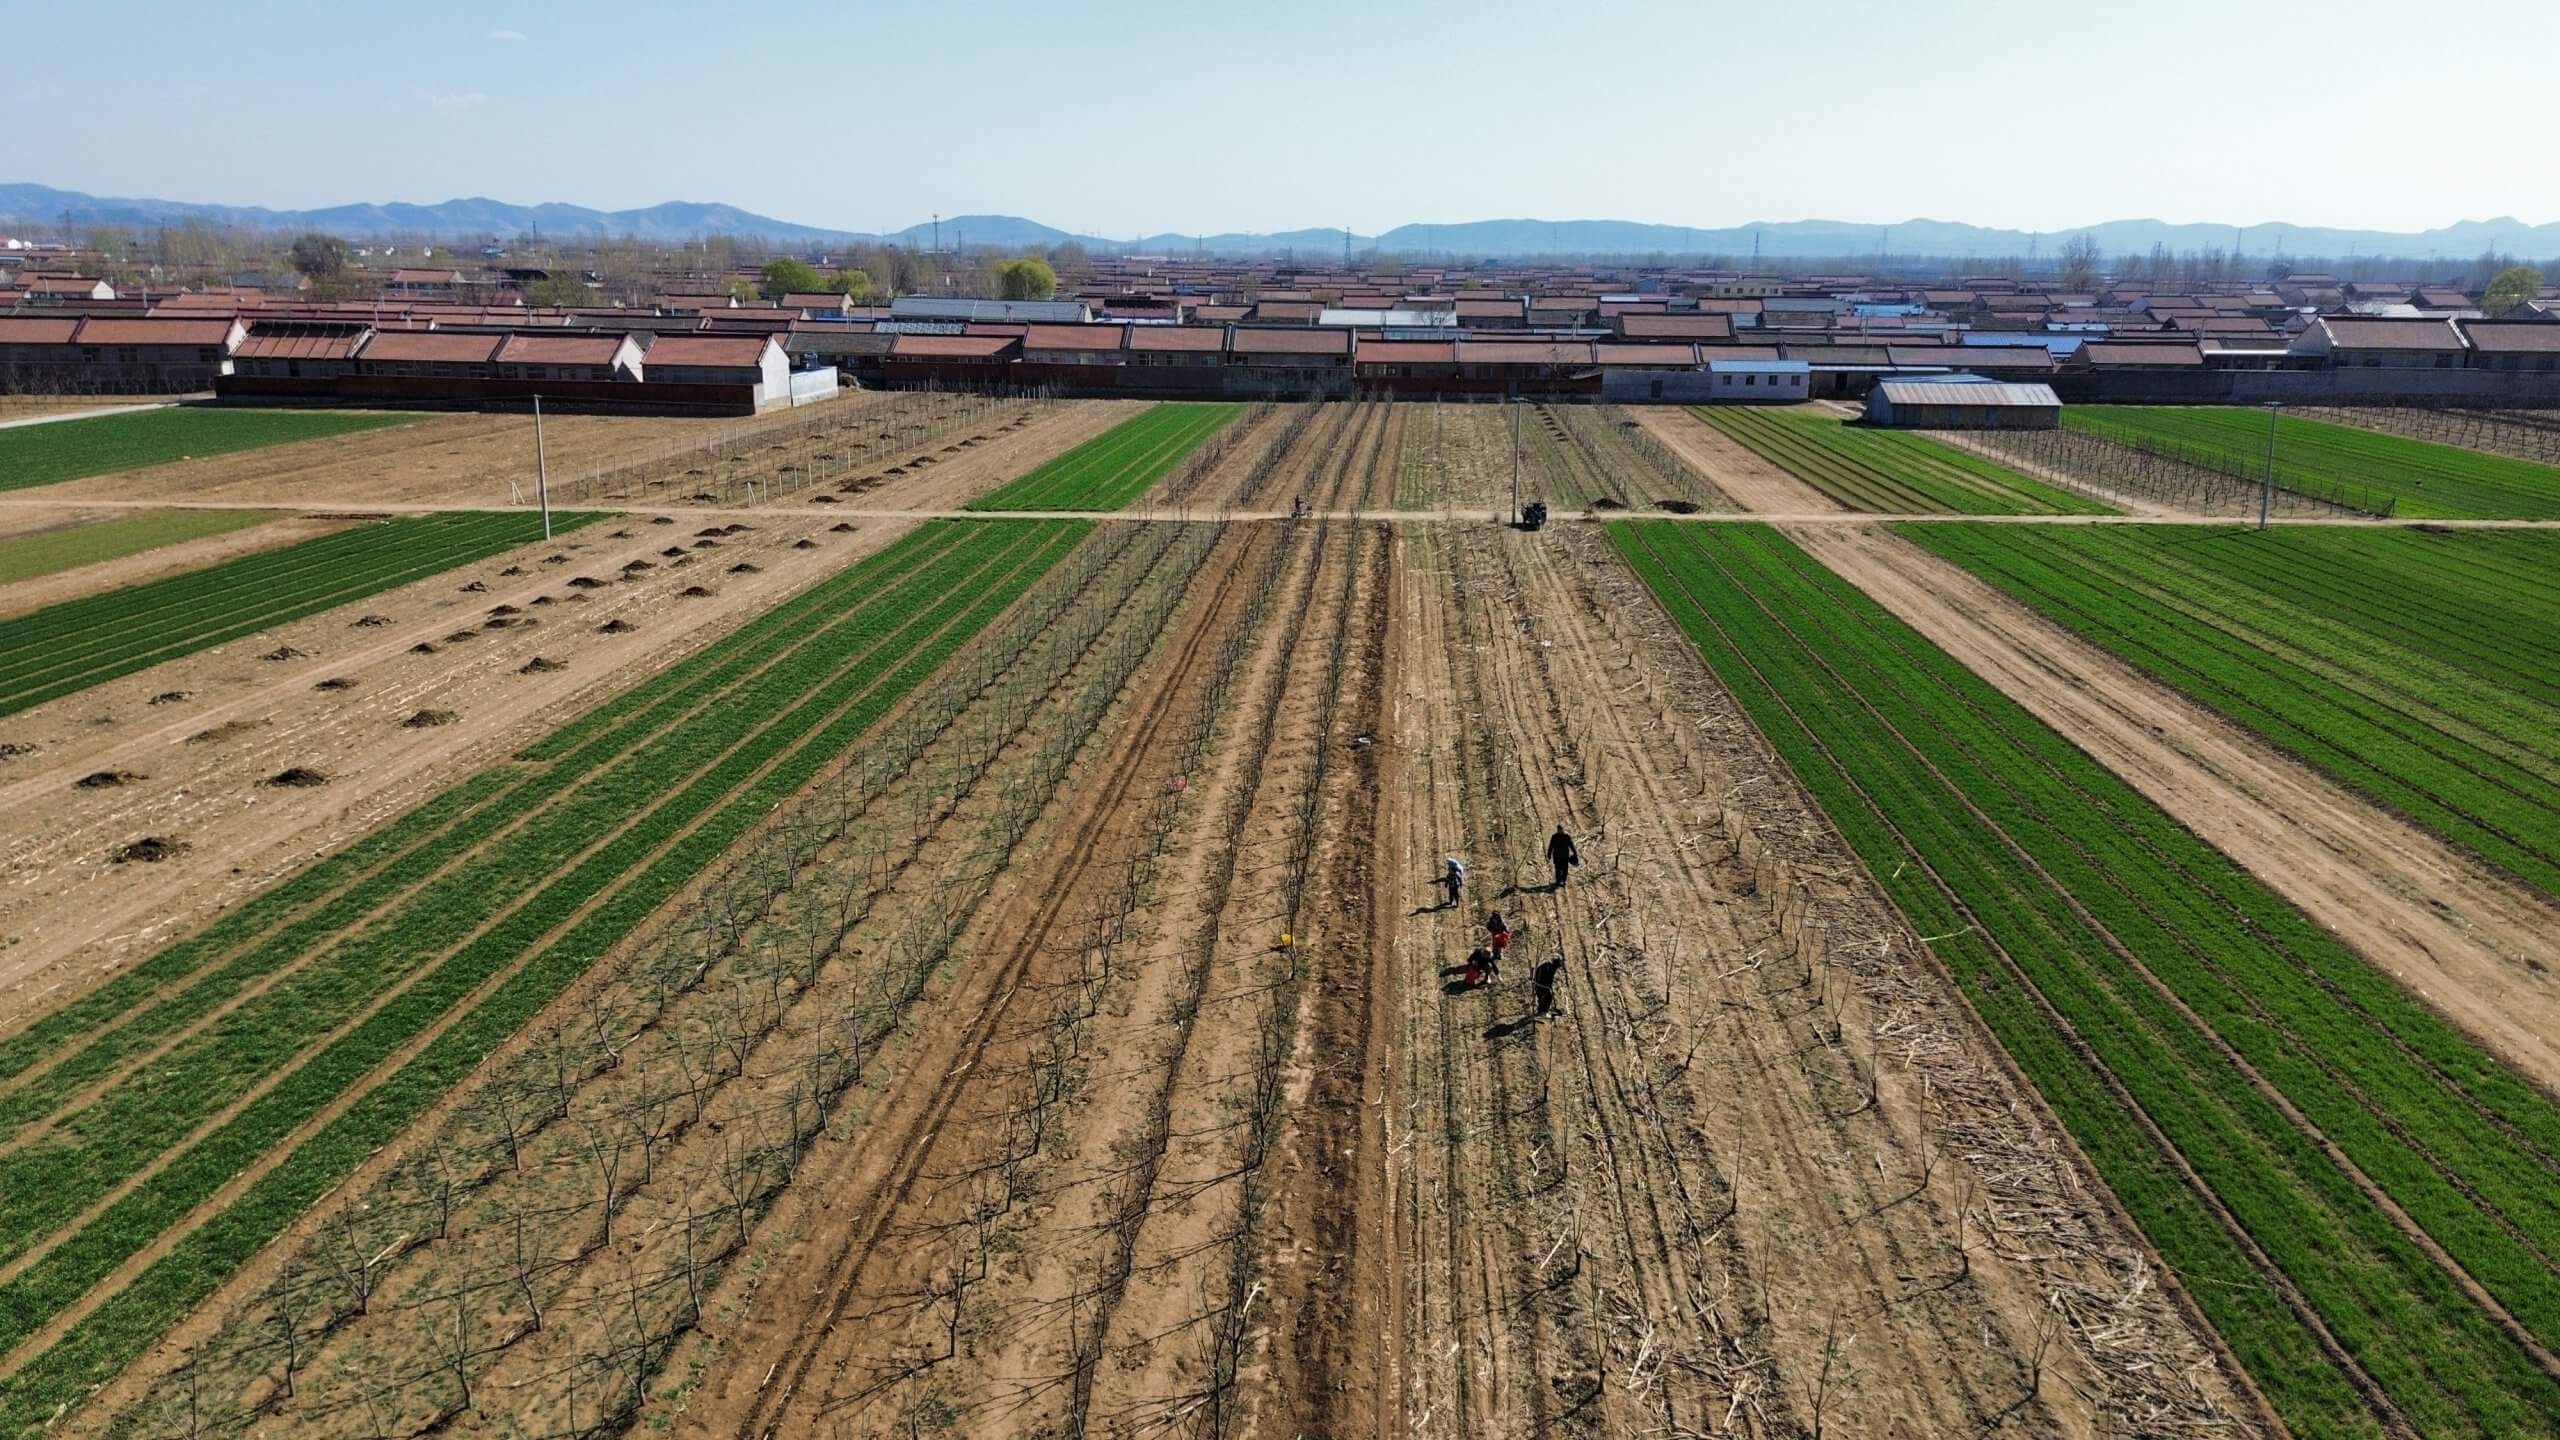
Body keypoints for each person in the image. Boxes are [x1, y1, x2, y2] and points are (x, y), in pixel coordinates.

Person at [1547, 825, 1581, 891]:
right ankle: (1558, 881)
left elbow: (1571, 845)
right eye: (1559, 829)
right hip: (1557, 856)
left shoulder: (1567, 836)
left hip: (1565, 856)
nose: (1560, 831)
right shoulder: (1554, 837)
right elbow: (1551, 846)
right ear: (1557, 830)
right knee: (1558, 869)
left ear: (1563, 829)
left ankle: (1563, 880)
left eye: (1561, 829)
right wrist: (1549, 854)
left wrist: (1575, 853)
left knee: (1565, 869)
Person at [1533, 954, 1566, 1020]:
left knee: (1548, 997)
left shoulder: (1550, 966)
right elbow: (1545, 977)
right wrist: (1547, 986)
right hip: (1541, 984)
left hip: (1543, 984)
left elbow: (1549, 978)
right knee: (1546, 998)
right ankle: (1542, 1013)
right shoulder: (1549, 967)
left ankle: (1544, 1011)